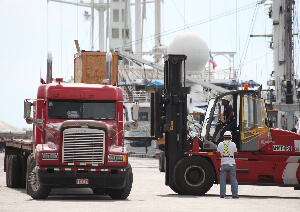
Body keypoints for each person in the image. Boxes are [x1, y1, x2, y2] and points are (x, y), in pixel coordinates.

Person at [216, 131, 238, 198]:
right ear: (231, 137)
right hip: (231, 163)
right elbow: (236, 153)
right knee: (233, 179)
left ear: (224, 137)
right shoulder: (233, 144)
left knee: (222, 179)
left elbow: (217, 153)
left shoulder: (220, 144)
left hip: (223, 163)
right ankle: (234, 194)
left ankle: (222, 194)